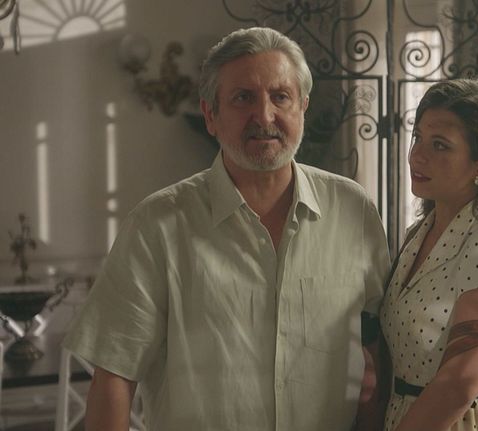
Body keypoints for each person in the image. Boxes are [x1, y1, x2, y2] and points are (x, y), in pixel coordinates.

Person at [63, 27, 390, 431]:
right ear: (210, 115)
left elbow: (376, 349)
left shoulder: (353, 211)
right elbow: (114, 375)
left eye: (280, 96)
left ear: (303, 107)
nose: (264, 116)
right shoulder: (156, 226)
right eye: (243, 98)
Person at [379, 79, 478, 431]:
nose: (417, 155)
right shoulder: (419, 234)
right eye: (418, 137)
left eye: (440, 145)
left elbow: (460, 383)